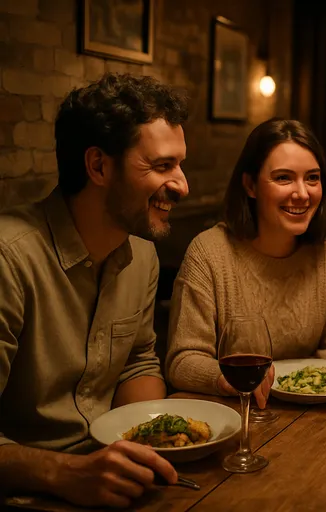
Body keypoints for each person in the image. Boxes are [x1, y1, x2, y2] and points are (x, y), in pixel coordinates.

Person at [0, 73, 189, 507]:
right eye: (162, 166)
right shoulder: (10, 259)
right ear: (99, 166)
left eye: (180, 165)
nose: (183, 185)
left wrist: (150, 441)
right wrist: (66, 473)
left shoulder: (141, 255)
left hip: (114, 482)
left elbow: (138, 362)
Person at [165, 118, 326, 400]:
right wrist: (226, 381)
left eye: (312, 178)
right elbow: (183, 361)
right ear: (250, 185)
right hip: (235, 412)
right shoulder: (209, 253)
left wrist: (291, 385)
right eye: (284, 178)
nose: (302, 193)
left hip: (311, 413)